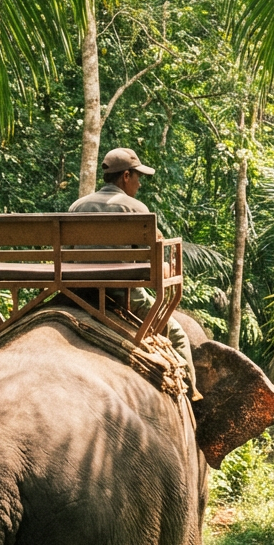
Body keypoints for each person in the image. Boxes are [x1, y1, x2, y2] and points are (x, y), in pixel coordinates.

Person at [69, 148, 198, 395]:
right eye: (137, 177)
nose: (139, 184)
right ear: (126, 176)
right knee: (179, 336)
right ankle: (192, 395)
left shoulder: (77, 206)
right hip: (121, 295)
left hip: (76, 292)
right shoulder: (136, 209)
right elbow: (154, 258)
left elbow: (67, 253)